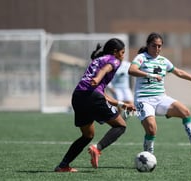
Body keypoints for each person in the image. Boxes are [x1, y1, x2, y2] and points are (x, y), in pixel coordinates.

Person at [54, 38, 135, 172]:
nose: (123, 55)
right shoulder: (114, 60)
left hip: (78, 96)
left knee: (87, 135)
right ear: (115, 52)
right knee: (120, 126)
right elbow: (106, 69)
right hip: (92, 96)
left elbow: (102, 94)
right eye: (122, 52)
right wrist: (98, 78)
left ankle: (63, 165)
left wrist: (122, 104)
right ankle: (97, 148)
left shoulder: (97, 60)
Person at [128, 32, 191, 155]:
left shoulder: (163, 61)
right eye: (154, 46)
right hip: (143, 100)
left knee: (185, 112)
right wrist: (150, 75)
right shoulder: (141, 57)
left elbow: (179, 72)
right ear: (148, 45)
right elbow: (132, 70)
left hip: (161, 98)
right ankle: (148, 156)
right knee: (151, 130)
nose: (157, 49)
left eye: (159, 46)